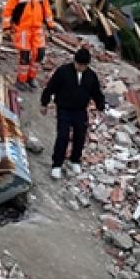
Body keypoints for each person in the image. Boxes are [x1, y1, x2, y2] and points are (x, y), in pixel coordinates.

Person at [40, 48, 106, 180]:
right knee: (62, 136)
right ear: (75, 61)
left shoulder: (91, 75)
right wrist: (44, 103)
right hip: (64, 109)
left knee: (80, 136)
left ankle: (75, 160)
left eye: (84, 66)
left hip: (80, 110)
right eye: (79, 65)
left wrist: (100, 106)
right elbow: (51, 87)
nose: (81, 68)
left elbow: (96, 92)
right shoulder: (63, 71)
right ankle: (57, 165)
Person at [2, 0, 59, 90]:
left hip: (37, 28)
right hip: (22, 30)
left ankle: (31, 77)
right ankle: (21, 80)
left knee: (39, 54)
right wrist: (6, 27)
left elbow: (47, 10)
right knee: (25, 56)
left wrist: (50, 25)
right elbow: (8, 11)